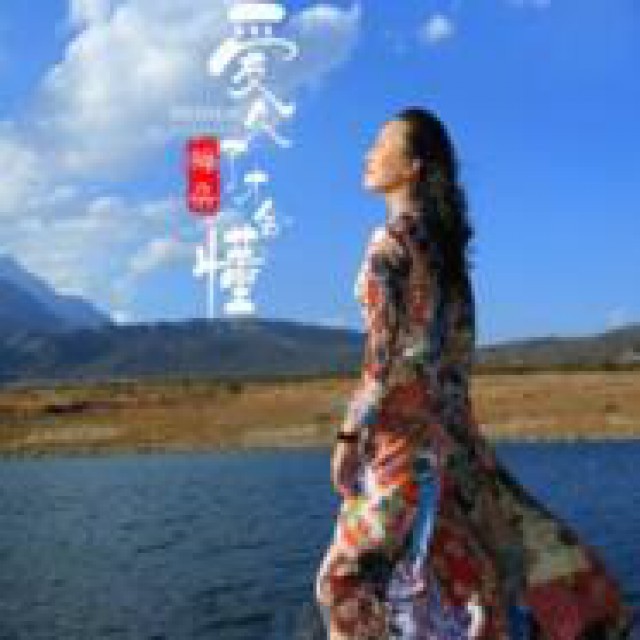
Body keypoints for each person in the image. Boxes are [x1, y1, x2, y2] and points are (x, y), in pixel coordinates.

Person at [314, 107, 635, 639]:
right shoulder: (447, 260)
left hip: (402, 445)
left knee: (345, 580)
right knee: (474, 577)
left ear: (412, 167)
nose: (368, 154)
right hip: (455, 442)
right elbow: (455, 363)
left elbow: (384, 358)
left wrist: (349, 435)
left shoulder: (389, 246)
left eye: (381, 143)